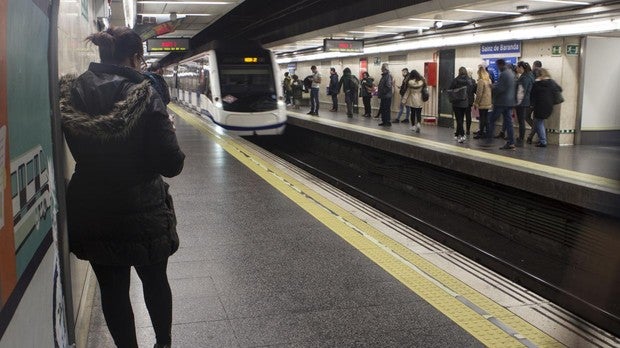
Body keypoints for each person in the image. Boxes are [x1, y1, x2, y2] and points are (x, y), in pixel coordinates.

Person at [59, 27, 185, 348]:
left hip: (93, 209)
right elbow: (171, 163)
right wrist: (167, 131)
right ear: (134, 58)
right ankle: (163, 344)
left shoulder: (70, 93)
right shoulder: (144, 94)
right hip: (143, 208)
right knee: (155, 281)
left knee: (112, 291)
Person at [485, 59, 516, 149]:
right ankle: (511, 142)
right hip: (509, 102)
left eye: (498, 65)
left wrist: (492, 87)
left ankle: (489, 139)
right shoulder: (511, 73)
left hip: (501, 102)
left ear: (500, 65)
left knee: (491, 120)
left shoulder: (504, 74)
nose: (497, 67)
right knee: (508, 122)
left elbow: (500, 88)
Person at [530, 68, 559, 148]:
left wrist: (531, 105)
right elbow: (559, 89)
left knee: (539, 122)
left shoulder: (537, 83)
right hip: (549, 105)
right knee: (539, 122)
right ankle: (539, 139)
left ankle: (543, 141)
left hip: (539, 105)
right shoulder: (551, 82)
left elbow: (532, 95)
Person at [449, 67, 475, 143]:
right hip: (465, 102)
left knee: (459, 119)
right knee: (461, 119)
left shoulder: (455, 80)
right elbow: (471, 91)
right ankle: (457, 134)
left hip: (457, 103)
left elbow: (450, 88)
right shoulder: (469, 81)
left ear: (459, 72)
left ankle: (463, 135)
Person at [515, 61, 534, 147]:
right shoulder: (530, 75)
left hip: (522, 102)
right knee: (522, 120)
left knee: (521, 121)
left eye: (517, 67)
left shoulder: (524, 78)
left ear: (521, 68)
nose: (516, 69)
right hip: (526, 101)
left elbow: (522, 91)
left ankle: (521, 137)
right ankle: (521, 137)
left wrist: (517, 102)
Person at [473, 66, 492, 139]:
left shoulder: (481, 81)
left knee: (482, 118)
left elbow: (479, 93)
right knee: (486, 118)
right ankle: (488, 132)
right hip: (488, 102)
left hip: (482, 102)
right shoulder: (489, 80)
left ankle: (481, 133)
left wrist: (476, 103)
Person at [465, 68, 477, 137]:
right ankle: (468, 130)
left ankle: (461, 129)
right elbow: (475, 91)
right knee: (468, 115)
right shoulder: (473, 81)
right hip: (470, 101)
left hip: (463, 100)